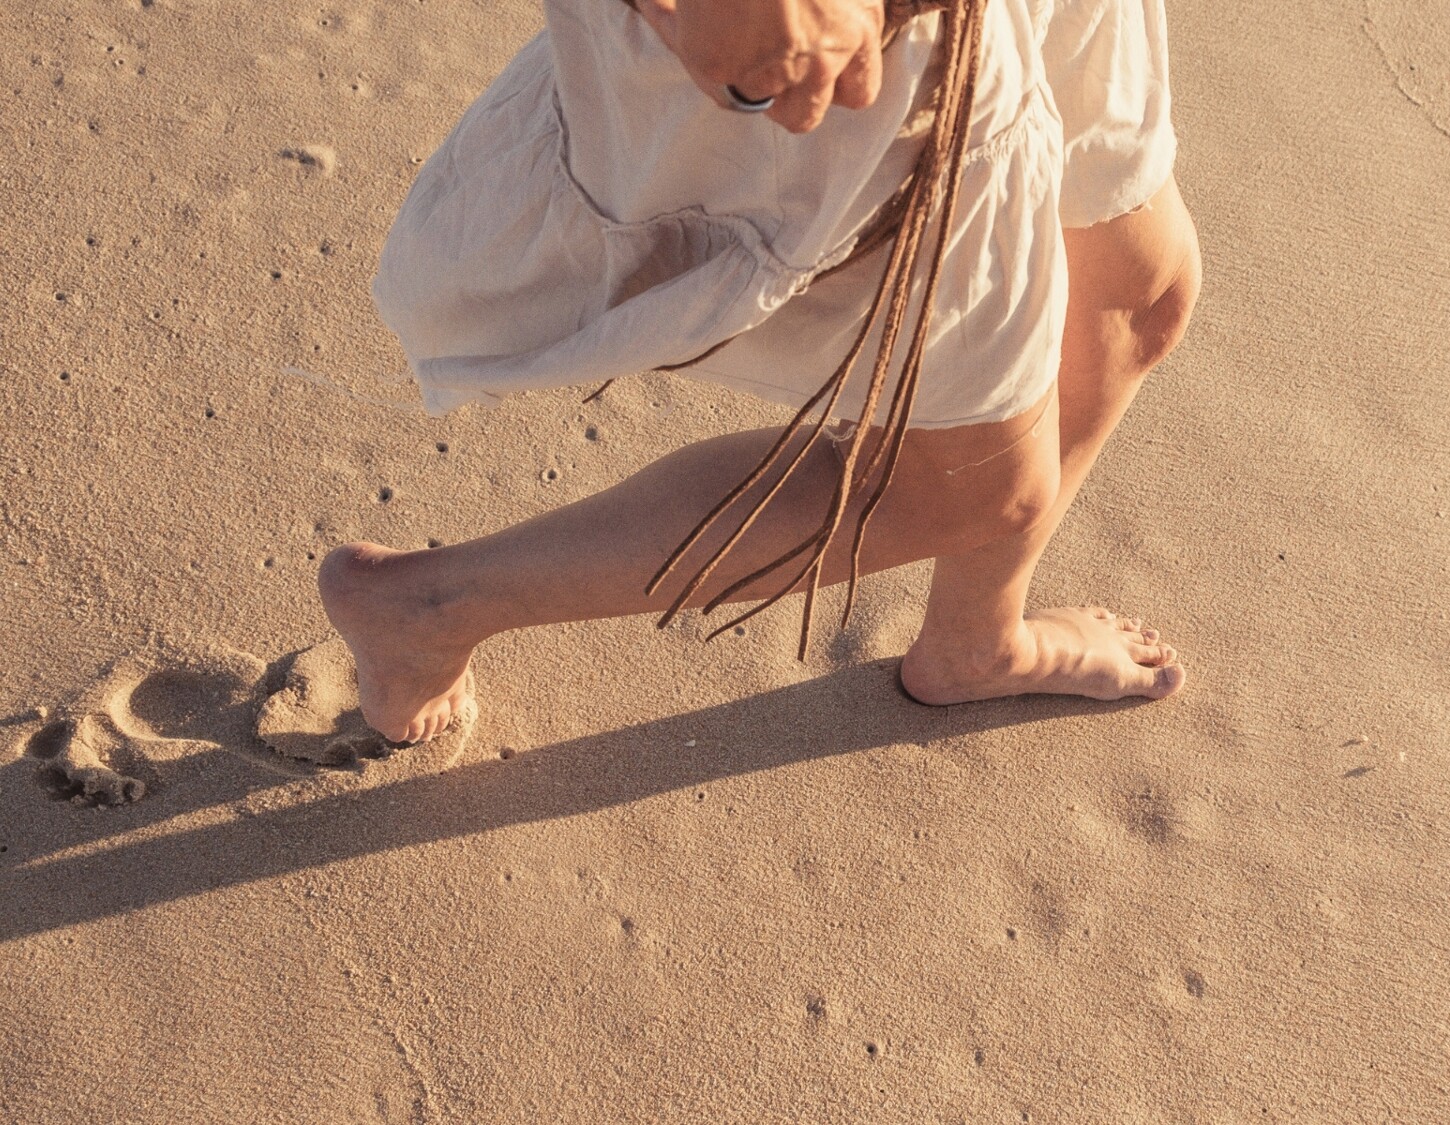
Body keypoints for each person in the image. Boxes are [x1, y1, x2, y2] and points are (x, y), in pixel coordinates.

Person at [319, 0, 1203, 744]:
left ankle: (977, 638)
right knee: (974, 488)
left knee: (1140, 292)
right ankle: (432, 608)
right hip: (873, 47)